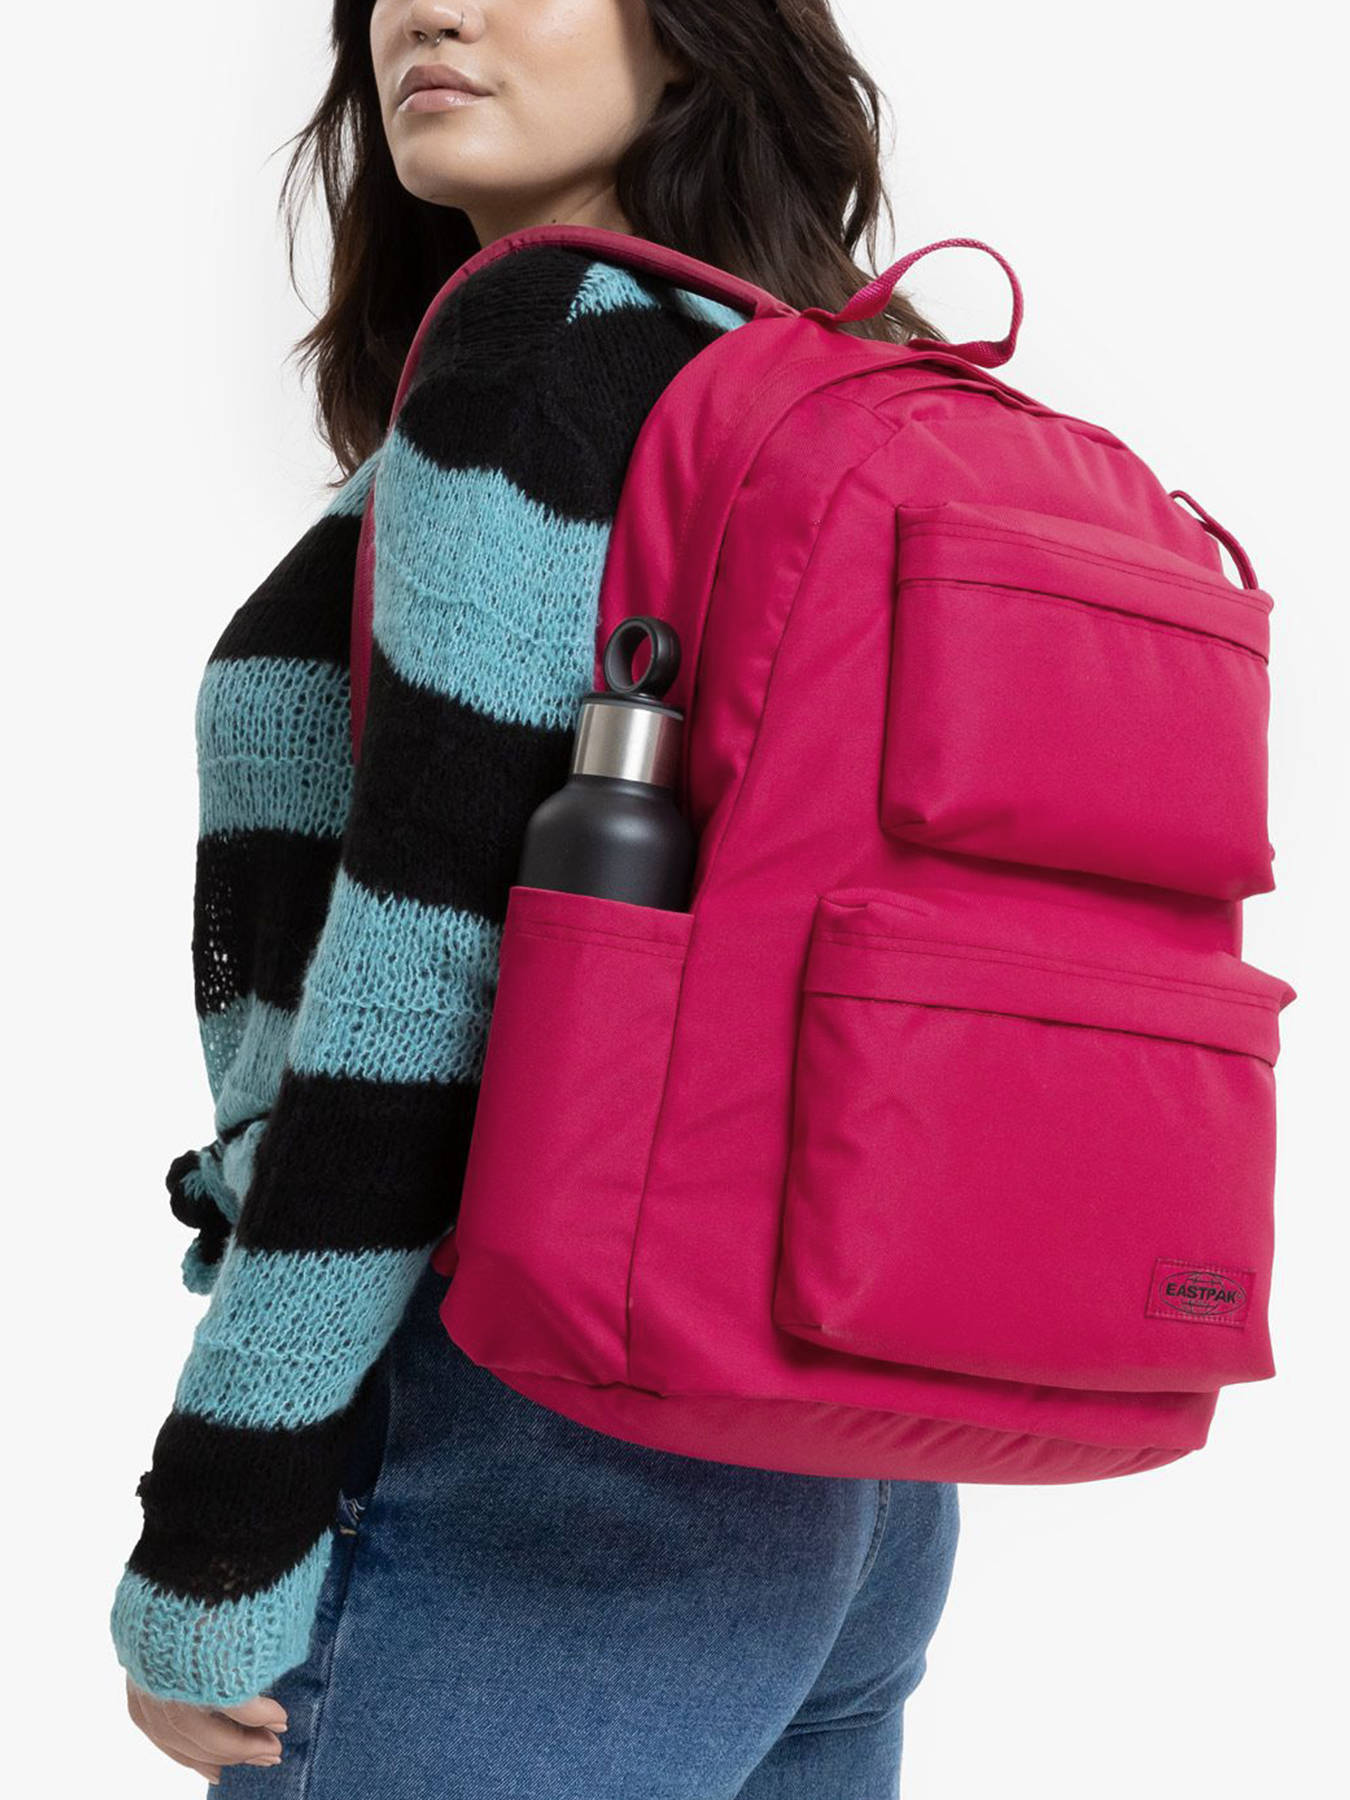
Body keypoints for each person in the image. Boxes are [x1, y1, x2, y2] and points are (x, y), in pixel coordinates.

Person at [110, 3, 960, 1793]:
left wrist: (224, 1508)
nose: (430, 9)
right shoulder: (820, 373)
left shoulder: (544, 343)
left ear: (697, 35)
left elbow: (425, 974)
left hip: (531, 1438)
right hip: (841, 1453)